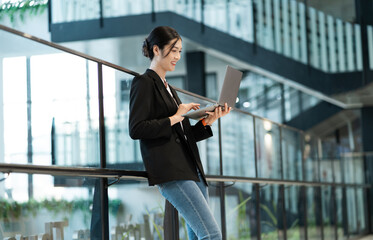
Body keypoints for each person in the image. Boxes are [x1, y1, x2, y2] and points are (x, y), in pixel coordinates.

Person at [129, 26, 230, 240]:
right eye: (173, 50)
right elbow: (136, 128)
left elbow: (183, 137)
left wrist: (208, 121)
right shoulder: (144, 83)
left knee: (199, 236)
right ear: (156, 49)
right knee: (211, 235)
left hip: (191, 169)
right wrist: (176, 116)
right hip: (172, 172)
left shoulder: (169, 89)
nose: (177, 57)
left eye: (180, 52)